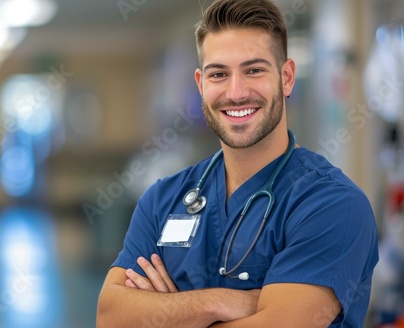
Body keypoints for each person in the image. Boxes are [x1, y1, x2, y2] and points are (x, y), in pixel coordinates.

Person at [96, 0, 379, 327]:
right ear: (202, 85)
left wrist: (167, 311)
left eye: (254, 70)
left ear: (286, 78)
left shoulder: (332, 205)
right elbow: (110, 316)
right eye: (219, 74)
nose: (236, 92)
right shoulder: (162, 201)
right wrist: (220, 302)